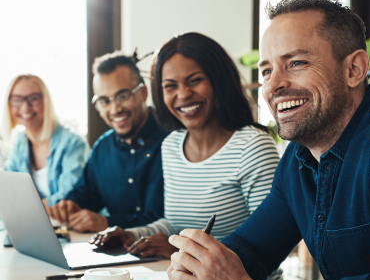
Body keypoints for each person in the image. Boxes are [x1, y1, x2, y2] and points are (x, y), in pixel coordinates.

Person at [167, 0, 370, 280]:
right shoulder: (299, 158)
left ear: (354, 69)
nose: (274, 86)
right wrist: (200, 264)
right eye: (267, 70)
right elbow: (252, 250)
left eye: (297, 63)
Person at [90, 33, 280, 258]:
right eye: (170, 86)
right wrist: (131, 235)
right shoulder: (171, 145)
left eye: (195, 80)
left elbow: (269, 243)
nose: (183, 94)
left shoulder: (253, 147)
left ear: (217, 81)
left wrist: (181, 250)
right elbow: (174, 225)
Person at [46, 51, 168, 232]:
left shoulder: (173, 140)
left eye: (123, 96)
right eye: (104, 101)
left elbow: (171, 220)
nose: (115, 109)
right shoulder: (103, 148)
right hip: (117, 255)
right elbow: (86, 193)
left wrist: (109, 223)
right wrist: (71, 205)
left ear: (143, 92)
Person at [2, 74, 89, 207]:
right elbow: (8, 188)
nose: (25, 107)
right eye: (17, 99)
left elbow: (70, 196)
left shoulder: (72, 143)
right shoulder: (19, 143)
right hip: (35, 222)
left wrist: (31, 208)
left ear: (46, 100)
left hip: (70, 224)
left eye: (33, 98)